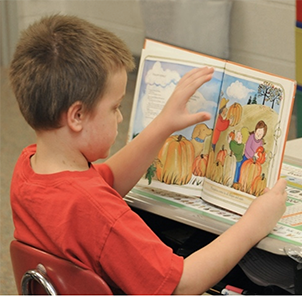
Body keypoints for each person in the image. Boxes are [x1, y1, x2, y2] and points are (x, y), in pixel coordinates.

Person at [9, 14, 287, 295]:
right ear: (77, 116)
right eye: (115, 107)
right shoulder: (100, 213)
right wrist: (254, 224)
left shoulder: (30, 167)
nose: (120, 117)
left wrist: (163, 124)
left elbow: (105, 183)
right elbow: (181, 285)